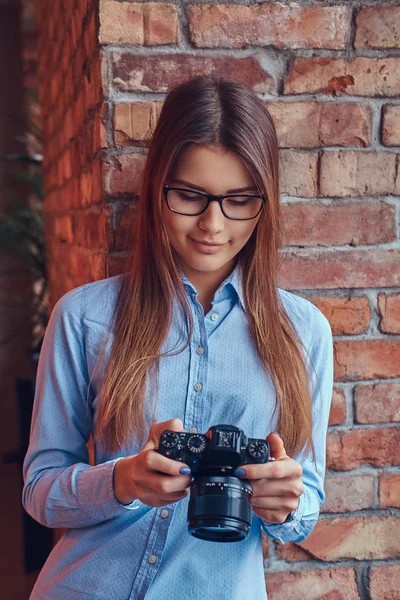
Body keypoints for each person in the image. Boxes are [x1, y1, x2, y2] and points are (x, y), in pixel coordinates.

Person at [22, 75, 333, 600]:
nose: (213, 223)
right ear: (157, 188)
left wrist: (286, 502)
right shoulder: (83, 317)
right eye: (190, 195)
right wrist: (120, 481)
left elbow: (306, 506)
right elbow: (38, 489)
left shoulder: (304, 332)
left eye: (239, 199)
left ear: (266, 202)